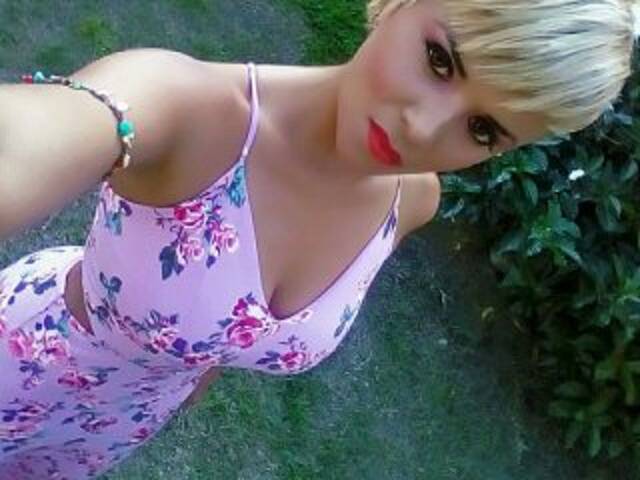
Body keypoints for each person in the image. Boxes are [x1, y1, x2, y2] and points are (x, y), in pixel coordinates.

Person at [0, 0, 636, 477]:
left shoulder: (413, 202)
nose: (422, 127)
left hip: (115, 428)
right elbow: (37, 139)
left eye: (482, 130)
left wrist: (194, 377)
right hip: (23, 361)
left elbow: (226, 331)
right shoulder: (188, 108)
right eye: (439, 60)